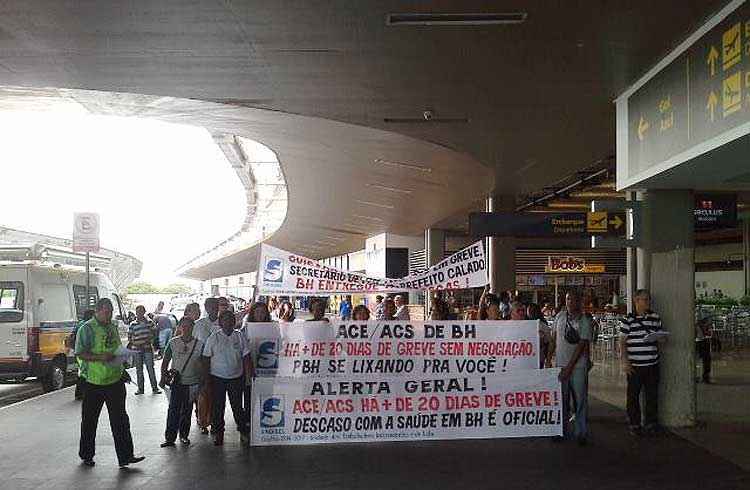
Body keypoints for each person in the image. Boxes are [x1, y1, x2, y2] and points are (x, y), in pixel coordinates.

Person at [75, 298, 145, 468]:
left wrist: (123, 361)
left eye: (111, 312)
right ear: (97, 311)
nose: (109, 315)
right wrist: (100, 357)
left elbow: (116, 348)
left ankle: (126, 456)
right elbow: (80, 353)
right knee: (90, 420)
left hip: (115, 380)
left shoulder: (112, 326)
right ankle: (86, 454)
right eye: (106, 312)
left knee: (120, 420)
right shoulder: (87, 329)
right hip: (93, 382)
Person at [619, 289, 666, 436]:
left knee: (652, 395)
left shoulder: (655, 317)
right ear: (636, 301)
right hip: (635, 365)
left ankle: (651, 423)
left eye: (648, 300)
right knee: (633, 395)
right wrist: (625, 361)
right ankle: (634, 423)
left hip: (652, 363)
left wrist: (661, 338)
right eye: (643, 300)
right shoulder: (628, 320)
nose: (646, 302)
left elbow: (661, 337)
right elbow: (622, 341)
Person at [202, 310, 251, 446]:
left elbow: (246, 356)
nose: (228, 322)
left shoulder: (239, 336)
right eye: (225, 320)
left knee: (237, 407)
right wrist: (206, 380)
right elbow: (205, 358)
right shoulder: (214, 337)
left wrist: (248, 376)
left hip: (236, 377)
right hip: (217, 378)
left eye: (231, 320)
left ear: (234, 322)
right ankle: (218, 433)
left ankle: (243, 432)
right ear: (220, 322)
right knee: (218, 407)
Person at [551, 291, 592, 445]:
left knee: (580, 400)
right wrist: (549, 359)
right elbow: (554, 338)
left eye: (574, 299)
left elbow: (582, 345)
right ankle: (560, 430)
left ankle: (581, 431)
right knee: (561, 400)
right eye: (568, 299)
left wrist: (570, 367)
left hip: (578, 366)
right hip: (560, 364)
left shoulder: (584, 320)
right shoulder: (559, 317)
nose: (570, 302)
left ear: (579, 301)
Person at [160, 317, 204, 447]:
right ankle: (169, 438)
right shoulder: (173, 343)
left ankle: (184, 435)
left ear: (193, 327)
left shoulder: (200, 344)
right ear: (179, 327)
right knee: (173, 409)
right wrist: (163, 377)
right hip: (177, 382)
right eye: (183, 326)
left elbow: (203, 364)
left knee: (187, 410)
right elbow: (165, 361)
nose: (186, 329)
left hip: (192, 383)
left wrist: (202, 382)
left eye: (189, 326)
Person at [193, 298, 220, 435]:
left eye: (215, 306)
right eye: (210, 306)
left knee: (217, 396)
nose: (213, 309)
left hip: (219, 364)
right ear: (206, 307)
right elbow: (194, 344)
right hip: (202, 364)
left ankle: (215, 422)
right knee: (203, 394)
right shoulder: (199, 324)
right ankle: (202, 422)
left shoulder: (223, 322)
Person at [128, 305, 161, 395]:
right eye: (138, 311)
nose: (139, 313)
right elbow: (130, 337)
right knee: (139, 369)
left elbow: (155, 333)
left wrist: (149, 339)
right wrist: (135, 344)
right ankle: (140, 389)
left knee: (150, 368)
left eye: (141, 311)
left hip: (147, 349)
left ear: (144, 312)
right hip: (137, 350)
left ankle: (155, 388)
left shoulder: (149, 322)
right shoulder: (132, 324)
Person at [69, 309, 95, 401]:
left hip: (77, 352)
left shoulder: (80, 324)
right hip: (83, 353)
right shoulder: (86, 326)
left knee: (82, 372)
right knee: (84, 373)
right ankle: (81, 393)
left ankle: (80, 393)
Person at [527, 303, 553, 368]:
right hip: (526, 357)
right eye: (529, 311)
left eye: (532, 311)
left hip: (539, 356)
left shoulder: (542, 326)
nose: (530, 313)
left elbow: (549, 343)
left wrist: (548, 359)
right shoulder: (524, 324)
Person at [696, 310, 712, 384]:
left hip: (702, 341)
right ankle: (704, 376)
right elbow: (707, 333)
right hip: (699, 342)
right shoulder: (698, 324)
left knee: (706, 359)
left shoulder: (701, 324)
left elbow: (708, 334)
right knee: (705, 359)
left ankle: (705, 376)